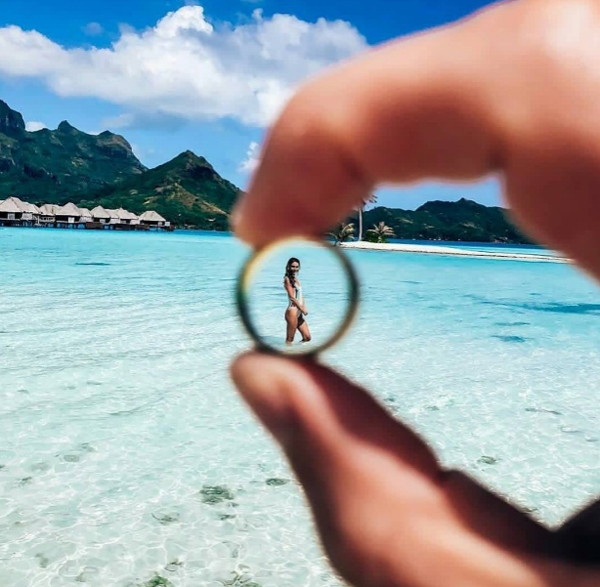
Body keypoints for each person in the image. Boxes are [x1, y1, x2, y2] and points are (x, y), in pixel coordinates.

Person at [231, 0, 600, 585]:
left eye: (298, 258)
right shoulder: (290, 276)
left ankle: (295, 356)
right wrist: (299, 300)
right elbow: (285, 282)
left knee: (293, 344)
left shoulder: (292, 273)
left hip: (294, 307)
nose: (296, 261)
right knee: (294, 338)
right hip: (293, 305)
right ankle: (295, 354)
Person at [283, 257, 311, 345]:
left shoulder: (295, 279)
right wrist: (302, 309)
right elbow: (292, 298)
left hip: (299, 311)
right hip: (292, 311)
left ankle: (296, 351)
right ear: (288, 266)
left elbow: (301, 295)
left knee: (307, 337)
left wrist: (303, 308)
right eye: (293, 266)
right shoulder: (287, 279)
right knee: (290, 339)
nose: (295, 269)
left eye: (297, 267)